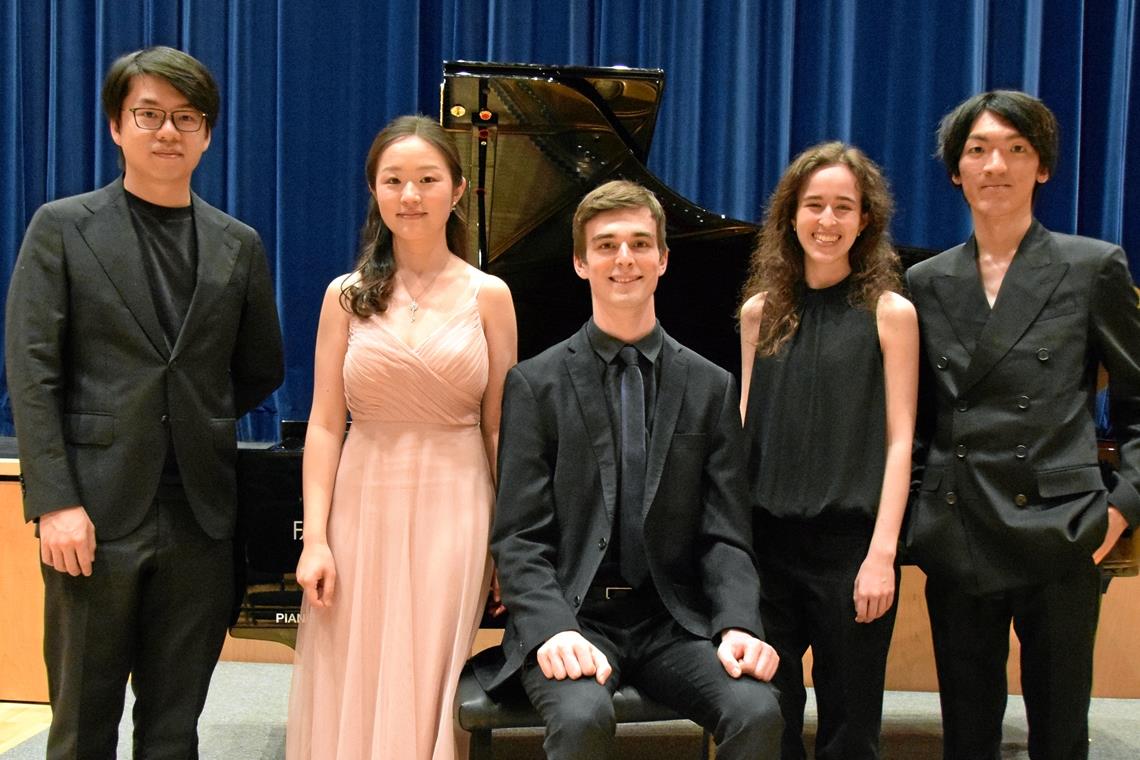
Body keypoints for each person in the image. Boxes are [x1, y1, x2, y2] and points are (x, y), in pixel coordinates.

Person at [5, 46, 284, 758]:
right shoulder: (62, 228)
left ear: (208, 133)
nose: (168, 131)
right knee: (80, 728)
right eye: (149, 115)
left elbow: (260, 367)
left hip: (201, 514)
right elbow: (31, 374)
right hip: (91, 513)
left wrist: (192, 413)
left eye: (186, 118)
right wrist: (55, 501)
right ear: (116, 126)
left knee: (174, 727)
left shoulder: (238, 245)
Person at [480, 179, 783, 759]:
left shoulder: (711, 386)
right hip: (575, 615)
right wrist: (552, 629)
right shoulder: (534, 384)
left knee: (756, 710)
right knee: (581, 717)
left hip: (672, 621)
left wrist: (738, 622)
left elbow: (726, 534)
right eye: (607, 245)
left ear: (664, 259)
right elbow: (518, 537)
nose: (624, 259)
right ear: (580, 261)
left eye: (641, 244)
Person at [905, 90, 1140, 759]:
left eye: (1015, 149)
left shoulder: (1094, 266)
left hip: (1062, 531)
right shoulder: (925, 282)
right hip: (961, 531)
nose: (995, 165)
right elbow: (915, 417)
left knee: (1061, 736)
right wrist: (926, 513)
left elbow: (1139, 405)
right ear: (956, 170)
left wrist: (1118, 511)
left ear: (1041, 166)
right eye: (977, 151)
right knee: (967, 737)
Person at [286, 114, 517, 760]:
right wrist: (318, 538)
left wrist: (509, 537)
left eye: (426, 179)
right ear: (376, 192)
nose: (410, 195)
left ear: (458, 190)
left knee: (429, 675)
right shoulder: (345, 297)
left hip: (458, 505)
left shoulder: (490, 296)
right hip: (361, 504)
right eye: (394, 181)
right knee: (354, 667)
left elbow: (499, 424)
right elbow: (327, 424)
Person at [738, 142, 919, 759]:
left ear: (865, 220)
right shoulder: (759, 313)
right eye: (814, 205)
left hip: (852, 550)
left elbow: (901, 441)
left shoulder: (890, 314)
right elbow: (745, 430)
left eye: (845, 207)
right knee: (770, 716)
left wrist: (882, 555)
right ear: (790, 214)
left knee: (850, 726)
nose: (828, 220)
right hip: (767, 547)